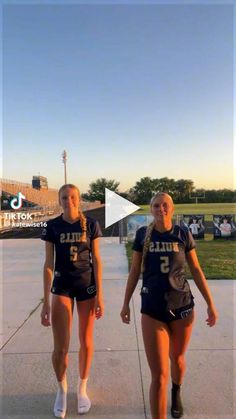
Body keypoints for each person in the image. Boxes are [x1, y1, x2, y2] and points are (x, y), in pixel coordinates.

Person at [120, 192, 218, 419]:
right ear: (151, 209)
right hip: (153, 308)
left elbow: (196, 270)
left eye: (165, 205)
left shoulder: (182, 233)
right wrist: (125, 303)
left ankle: (177, 392)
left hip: (182, 307)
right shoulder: (143, 234)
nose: (160, 208)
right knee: (159, 375)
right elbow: (135, 271)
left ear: (172, 209)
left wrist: (210, 304)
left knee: (178, 359)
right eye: (156, 205)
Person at [40, 184, 104, 418]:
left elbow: (96, 260)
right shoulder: (53, 225)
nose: (69, 201)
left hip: (86, 286)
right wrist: (46, 301)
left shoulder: (91, 225)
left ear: (79, 199)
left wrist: (100, 295)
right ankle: (62, 389)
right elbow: (48, 265)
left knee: (86, 341)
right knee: (61, 347)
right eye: (65, 197)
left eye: (73, 197)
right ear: (59, 201)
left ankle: (82, 388)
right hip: (62, 286)